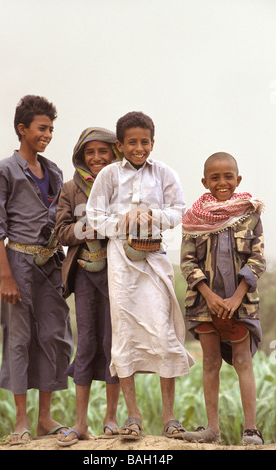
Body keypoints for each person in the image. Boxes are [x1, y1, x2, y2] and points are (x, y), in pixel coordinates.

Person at [86, 111, 194, 439]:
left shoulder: (164, 173)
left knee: (163, 333)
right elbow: (93, 215)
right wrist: (123, 221)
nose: (138, 147)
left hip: (155, 258)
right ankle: (133, 417)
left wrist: (151, 216)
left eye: (144, 141)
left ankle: (170, 417)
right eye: (131, 142)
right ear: (119, 145)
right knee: (125, 335)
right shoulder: (108, 175)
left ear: (152, 142)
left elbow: (179, 211)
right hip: (120, 262)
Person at [0, 95, 74, 445]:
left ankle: (44, 417)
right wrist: (6, 275)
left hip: (50, 264)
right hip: (18, 263)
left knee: (54, 335)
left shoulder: (53, 171)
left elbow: (60, 221)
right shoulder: (4, 170)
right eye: (41, 128)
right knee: (19, 340)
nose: (47, 134)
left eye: (51, 129)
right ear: (22, 129)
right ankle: (22, 420)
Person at [180, 152, 265, 445]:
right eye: (214, 177)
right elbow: (187, 263)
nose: (222, 182)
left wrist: (236, 297)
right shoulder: (193, 218)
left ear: (238, 179)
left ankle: (251, 430)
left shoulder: (250, 214)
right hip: (205, 305)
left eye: (228, 176)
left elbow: (257, 260)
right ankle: (212, 430)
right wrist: (210, 295)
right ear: (205, 182)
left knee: (242, 360)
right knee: (210, 362)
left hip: (240, 305)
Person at [55, 127, 121, 447]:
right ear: (81, 156)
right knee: (87, 345)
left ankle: (111, 419)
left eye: (103, 152)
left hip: (117, 277)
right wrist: (89, 225)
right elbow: (62, 233)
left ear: (114, 154)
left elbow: (130, 226)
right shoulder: (70, 188)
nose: (96, 158)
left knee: (113, 346)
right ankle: (80, 423)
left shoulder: (122, 184)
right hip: (83, 275)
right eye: (89, 153)